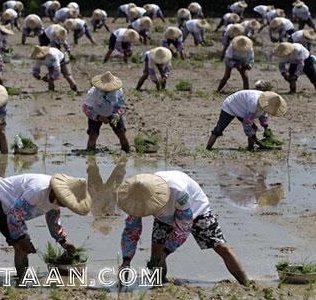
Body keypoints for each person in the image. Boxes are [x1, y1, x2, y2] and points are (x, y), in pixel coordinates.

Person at [117, 171, 248, 285]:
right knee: (156, 254)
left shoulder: (178, 190)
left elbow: (184, 227)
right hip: (164, 215)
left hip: (195, 210)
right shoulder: (135, 197)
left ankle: (246, 284)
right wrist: (126, 261)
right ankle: (159, 285)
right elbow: (131, 231)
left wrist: (166, 252)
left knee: (221, 247)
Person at [0, 172, 91, 281]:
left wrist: (63, 241)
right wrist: (23, 238)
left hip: (9, 209)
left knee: (21, 247)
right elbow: (14, 213)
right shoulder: (38, 190)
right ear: (57, 192)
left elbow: (53, 220)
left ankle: (22, 279)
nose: (65, 205)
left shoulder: (57, 199)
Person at [206, 89, 287, 150]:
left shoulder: (266, 103)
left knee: (254, 128)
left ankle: (250, 148)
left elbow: (263, 116)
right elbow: (247, 123)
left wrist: (266, 129)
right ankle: (208, 149)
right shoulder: (254, 103)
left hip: (244, 108)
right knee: (219, 129)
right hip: (231, 105)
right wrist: (257, 142)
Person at [82, 71, 130, 153]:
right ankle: (90, 155)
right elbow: (85, 108)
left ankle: (127, 151)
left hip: (113, 113)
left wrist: (115, 117)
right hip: (96, 113)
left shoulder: (118, 91)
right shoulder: (92, 93)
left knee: (121, 133)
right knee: (93, 136)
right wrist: (98, 117)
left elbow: (120, 106)